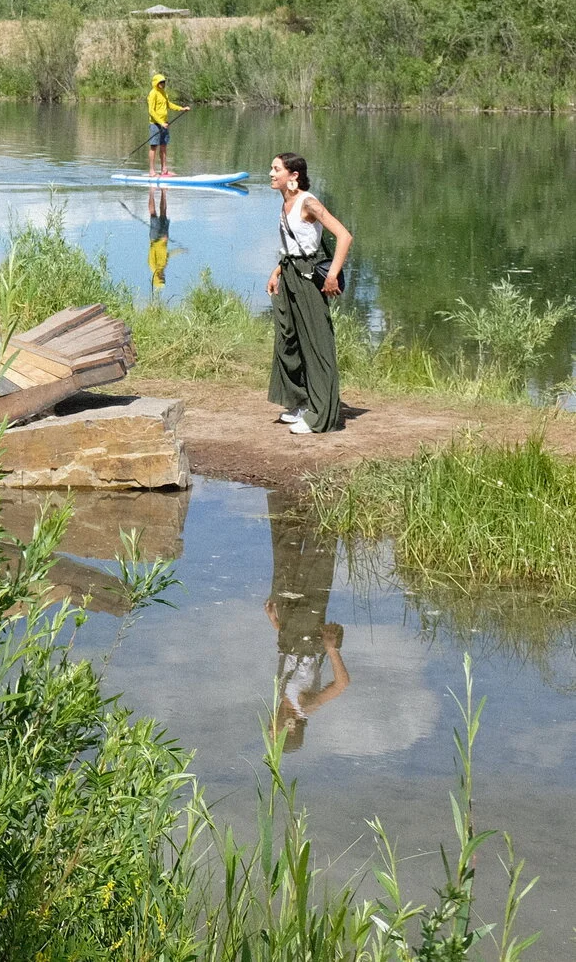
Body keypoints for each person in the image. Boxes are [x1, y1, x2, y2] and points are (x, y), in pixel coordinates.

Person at [267, 152, 352, 436]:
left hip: (307, 278)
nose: (271, 173)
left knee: (316, 344)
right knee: (289, 340)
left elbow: (344, 235)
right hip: (290, 274)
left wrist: (331, 275)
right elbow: (294, 246)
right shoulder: (285, 202)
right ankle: (301, 402)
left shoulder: (309, 203)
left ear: (293, 176)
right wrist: (277, 271)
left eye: (276, 169)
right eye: (272, 168)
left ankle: (322, 416)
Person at [264, 488, 349, 751]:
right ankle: (325, 500)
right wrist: (331, 649)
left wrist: (277, 625)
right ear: (290, 729)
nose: (268, 728)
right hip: (307, 627)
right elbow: (342, 684)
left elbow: (288, 661)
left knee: (285, 562)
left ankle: (288, 496)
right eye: (272, 734)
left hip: (289, 630)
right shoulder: (304, 706)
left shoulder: (283, 701)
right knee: (316, 563)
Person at [145, 70, 189, 176]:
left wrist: (181, 109)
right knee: (154, 147)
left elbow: (168, 104)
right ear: (156, 83)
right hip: (155, 124)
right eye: (161, 82)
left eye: (164, 82)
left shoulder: (163, 92)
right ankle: (152, 171)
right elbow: (151, 111)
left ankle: (164, 170)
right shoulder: (153, 94)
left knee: (164, 146)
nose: (163, 84)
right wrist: (160, 122)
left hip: (164, 123)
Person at [146, 188, 172, 293]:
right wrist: (181, 251)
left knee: (153, 214)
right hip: (164, 238)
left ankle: (151, 192)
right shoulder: (163, 266)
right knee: (164, 213)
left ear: (157, 279)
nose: (163, 277)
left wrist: (160, 240)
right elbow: (168, 255)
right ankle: (163, 192)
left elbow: (152, 249)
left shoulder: (153, 266)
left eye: (161, 279)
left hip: (155, 237)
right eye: (164, 279)